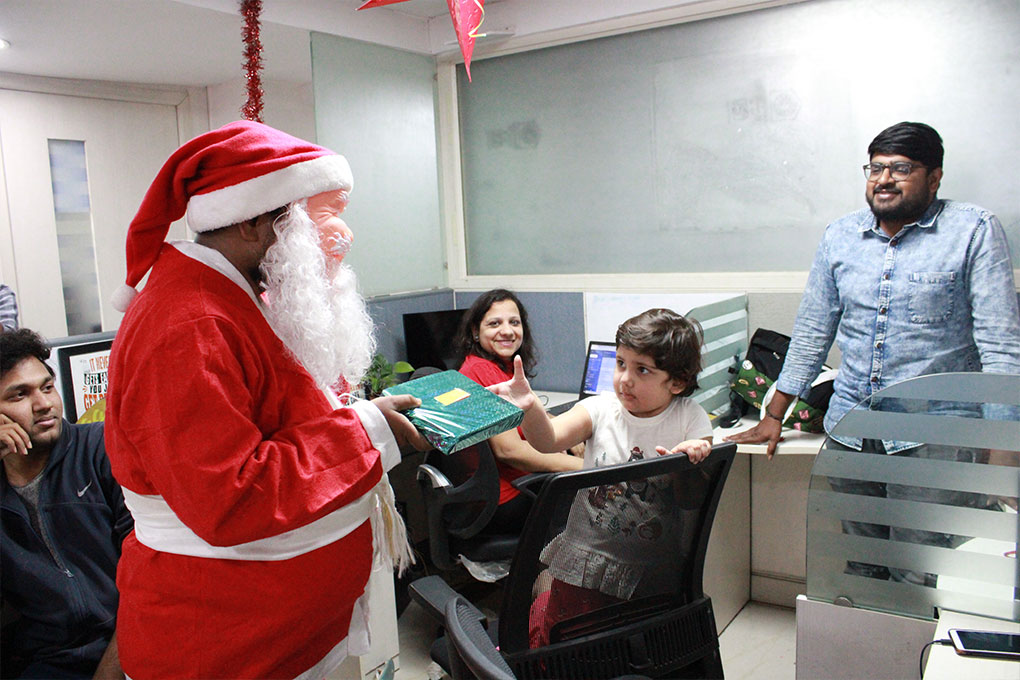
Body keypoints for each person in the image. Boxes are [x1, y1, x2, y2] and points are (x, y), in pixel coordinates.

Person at [103, 121, 429, 678]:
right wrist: (367, 430)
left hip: (278, 634)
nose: (338, 238)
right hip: (225, 647)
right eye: (311, 219)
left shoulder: (231, 298)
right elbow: (229, 496)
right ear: (252, 221)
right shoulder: (188, 323)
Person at [726, 121, 1020, 582]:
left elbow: (1000, 343)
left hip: (936, 436)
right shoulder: (841, 236)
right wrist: (773, 414)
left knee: (922, 575)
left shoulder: (973, 230)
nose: (884, 179)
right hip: (852, 430)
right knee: (862, 566)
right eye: (876, 168)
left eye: (901, 168)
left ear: (934, 178)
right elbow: (812, 332)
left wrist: (1003, 445)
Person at [488, 308, 713, 647]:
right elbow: (548, 440)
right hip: (588, 558)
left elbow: (692, 499)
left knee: (631, 642)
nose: (625, 379)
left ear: (677, 382)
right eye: (621, 363)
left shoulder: (690, 418)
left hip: (651, 566)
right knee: (571, 639)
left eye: (642, 370)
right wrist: (530, 407)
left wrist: (690, 459)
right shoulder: (600, 408)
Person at [1, 328, 131, 679]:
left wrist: (110, 672)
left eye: (47, 387)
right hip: (50, 658)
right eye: (19, 395)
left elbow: (150, 575)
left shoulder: (102, 447)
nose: (44, 404)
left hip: (132, 640)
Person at [456, 289, 583, 533]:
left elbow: (531, 413)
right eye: (494, 323)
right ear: (475, 331)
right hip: (508, 496)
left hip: (516, 484)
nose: (507, 331)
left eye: (514, 322)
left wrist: (570, 434)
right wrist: (585, 466)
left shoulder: (501, 367)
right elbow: (509, 450)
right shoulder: (479, 372)